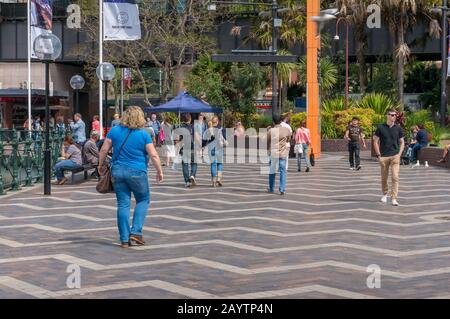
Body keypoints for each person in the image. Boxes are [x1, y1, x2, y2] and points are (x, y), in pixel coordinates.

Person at [98, 106, 163, 248]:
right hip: (137, 172)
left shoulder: (114, 131)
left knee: (123, 204)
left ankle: (124, 239)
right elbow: (153, 155)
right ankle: (136, 232)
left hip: (118, 171)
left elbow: (104, 149)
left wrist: (100, 164)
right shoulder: (143, 134)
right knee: (143, 199)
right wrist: (159, 171)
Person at [373, 109, 405, 206]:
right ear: (387, 115)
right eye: (391, 115)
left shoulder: (398, 128)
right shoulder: (380, 127)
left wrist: (399, 154)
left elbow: (402, 142)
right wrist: (378, 155)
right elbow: (375, 141)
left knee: (395, 177)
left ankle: (394, 198)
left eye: (395, 115)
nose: (394, 117)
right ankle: (385, 194)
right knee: (384, 178)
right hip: (383, 156)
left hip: (395, 156)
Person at [267, 115, 292, 195]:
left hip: (274, 153)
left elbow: (267, 141)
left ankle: (271, 188)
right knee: (283, 171)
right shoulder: (286, 130)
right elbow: (288, 139)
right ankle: (282, 189)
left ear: (273, 122)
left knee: (272, 171)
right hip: (282, 154)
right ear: (281, 121)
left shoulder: (271, 130)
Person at [177, 113, 198, 188]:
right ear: (190, 119)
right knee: (194, 163)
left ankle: (187, 181)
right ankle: (192, 175)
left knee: (185, 165)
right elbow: (196, 138)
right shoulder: (193, 127)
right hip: (192, 147)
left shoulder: (180, 127)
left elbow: (178, 139)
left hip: (184, 148)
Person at [205, 116, 227, 187]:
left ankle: (213, 181)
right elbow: (225, 138)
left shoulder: (208, 130)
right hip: (219, 148)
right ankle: (219, 179)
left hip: (211, 148)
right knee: (219, 163)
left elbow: (205, 139)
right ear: (217, 121)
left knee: (213, 164)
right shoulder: (222, 129)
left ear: (212, 121)